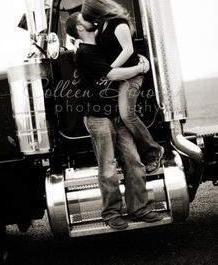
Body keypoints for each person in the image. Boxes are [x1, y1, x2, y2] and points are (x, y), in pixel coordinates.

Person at [65, 13, 163, 230]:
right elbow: (112, 74)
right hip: (98, 116)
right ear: (80, 28)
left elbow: (123, 52)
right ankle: (111, 213)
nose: (92, 18)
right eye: (85, 17)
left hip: (117, 115)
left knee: (133, 161)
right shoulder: (83, 53)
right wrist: (140, 68)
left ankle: (140, 209)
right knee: (108, 167)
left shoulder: (100, 45)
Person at [80, 0, 164, 173]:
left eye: (91, 16)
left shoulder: (119, 24)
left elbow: (128, 50)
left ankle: (153, 151)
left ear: (97, 11)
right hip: (118, 77)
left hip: (131, 76)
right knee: (121, 117)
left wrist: (110, 70)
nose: (91, 20)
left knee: (127, 115)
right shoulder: (101, 26)